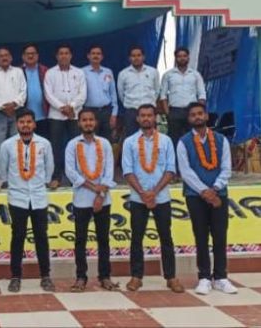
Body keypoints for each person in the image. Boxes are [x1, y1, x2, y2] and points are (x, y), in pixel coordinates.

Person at [122, 104, 184, 293]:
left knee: (166, 237)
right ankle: (136, 277)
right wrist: (143, 193)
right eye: (143, 115)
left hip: (161, 197)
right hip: (138, 198)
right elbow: (127, 171)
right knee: (136, 238)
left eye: (150, 115)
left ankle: (171, 277)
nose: (146, 118)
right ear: (137, 119)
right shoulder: (129, 142)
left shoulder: (166, 141)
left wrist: (154, 192)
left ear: (155, 118)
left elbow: (170, 170)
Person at [176, 102, 236, 295]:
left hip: (219, 195)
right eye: (193, 114)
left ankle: (221, 277)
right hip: (195, 196)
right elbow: (186, 172)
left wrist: (215, 188)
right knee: (200, 236)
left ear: (207, 116)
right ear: (189, 119)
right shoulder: (183, 142)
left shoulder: (221, 140)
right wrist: (205, 192)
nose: (197, 117)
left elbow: (226, 168)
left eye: (200, 113)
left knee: (220, 235)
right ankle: (204, 277)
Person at [0, 109, 55, 293]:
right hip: (17, 198)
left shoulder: (44, 144)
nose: (25, 125)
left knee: (41, 237)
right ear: (17, 124)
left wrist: (43, 183)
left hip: (39, 197)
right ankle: (15, 277)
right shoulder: (7, 145)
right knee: (18, 237)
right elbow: (2, 170)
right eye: (22, 122)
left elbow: (49, 169)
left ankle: (45, 276)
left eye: (29, 122)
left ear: (34, 124)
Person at [65, 109, 118, 292]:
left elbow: (109, 171)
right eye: (84, 120)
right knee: (80, 240)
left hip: (103, 200)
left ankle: (105, 276)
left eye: (91, 120)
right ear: (79, 123)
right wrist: (94, 188)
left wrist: (100, 195)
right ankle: (81, 277)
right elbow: (71, 172)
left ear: (95, 122)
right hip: (81, 199)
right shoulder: (72, 145)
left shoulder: (104, 144)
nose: (88, 123)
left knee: (103, 240)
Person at [45, 44, 87, 188]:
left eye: (66, 53)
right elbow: (48, 94)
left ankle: (75, 177)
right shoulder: (50, 73)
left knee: (76, 146)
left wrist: (72, 107)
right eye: (61, 53)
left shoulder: (79, 72)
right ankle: (56, 176)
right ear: (57, 56)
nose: (64, 56)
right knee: (55, 147)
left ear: (71, 55)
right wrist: (62, 108)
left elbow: (83, 93)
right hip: (56, 115)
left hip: (74, 115)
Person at [0, 46, 27, 190]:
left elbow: (23, 91)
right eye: (1, 56)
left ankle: (16, 178)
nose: (4, 58)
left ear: (11, 58)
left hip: (16, 113)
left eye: (6, 55)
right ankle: (0, 178)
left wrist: (14, 104)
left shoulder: (18, 72)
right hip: (0, 114)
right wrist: (3, 107)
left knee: (17, 146)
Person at [160, 48, 207, 148]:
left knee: (193, 139)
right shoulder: (168, 75)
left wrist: (199, 112)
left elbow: (202, 94)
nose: (182, 58)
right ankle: (175, 158)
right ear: (176, 58)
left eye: (184, 56)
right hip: (174, 111)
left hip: (192, 111)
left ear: (188, 58)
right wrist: (168, 113)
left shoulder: (195, 74)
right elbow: (163, 95)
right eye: (179, 56)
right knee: (174, 140)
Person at [117, 46, 160, 138]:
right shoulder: (123, 74)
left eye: (139, 55)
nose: (136, 58)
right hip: (131, 111)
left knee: (151, 137)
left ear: (143, 57)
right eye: (133, 56)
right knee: (131, 138)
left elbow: (157, 90)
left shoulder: (153, 72)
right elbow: (121, 94)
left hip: (149, 110)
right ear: (129, 58)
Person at [83, 45, 118, 141]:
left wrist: (114, 114)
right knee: (90, 140)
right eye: (93, 53)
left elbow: (113, 93)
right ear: (88, 56)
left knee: (107, 141)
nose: (96, 56)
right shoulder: (82, 72)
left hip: (106, 112)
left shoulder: (108, 72)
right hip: (89, 112)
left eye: (98, 54)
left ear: (102, 57)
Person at [21, 43, 49, 138]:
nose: (30, 56)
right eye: (27, 54)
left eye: (33, 53)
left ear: (37, 55)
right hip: (24, 117)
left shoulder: (45, 70)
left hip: (43, 116)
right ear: (23, 56)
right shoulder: (17, 71)